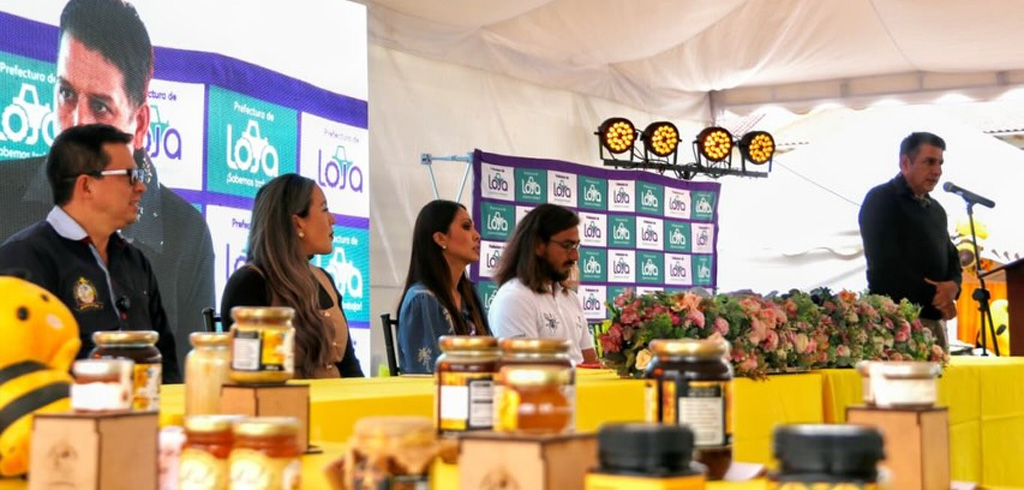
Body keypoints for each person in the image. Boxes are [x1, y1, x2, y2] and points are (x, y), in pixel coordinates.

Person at [0, 0, 215, 371]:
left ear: (140, 124)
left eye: (100, 106)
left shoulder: (186, 233)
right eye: (66, 94)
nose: (75, 123)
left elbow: (186, 385)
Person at [0, 124, 180, 382]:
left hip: (146, 404)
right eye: (130, 175)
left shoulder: (136, 261)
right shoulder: (24, 256)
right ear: (86, 186)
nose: (141, 186)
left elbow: (166, 361)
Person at [220, 174, 363, 378]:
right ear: (297, 224)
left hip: (340, 397)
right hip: (286, 398)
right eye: (324, 209)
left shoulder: (325, 279)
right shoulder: (249, 283)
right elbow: (250, 378)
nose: (333, 219)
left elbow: (349, 367)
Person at [859, 131, 961, 350]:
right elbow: (885, 265)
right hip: (896, 323)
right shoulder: (882, 199)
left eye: (940, 163)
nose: (937, 171)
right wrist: (939, 297)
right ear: (905, 162)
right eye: (929, 162)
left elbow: (952, 256)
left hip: (935, 321)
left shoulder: (936, 210)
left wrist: (954, 285)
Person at [488, 204, 598, 364]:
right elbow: (527, 370)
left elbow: (590, 363)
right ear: (538, 245)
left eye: (576, 246)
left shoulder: (570, 298)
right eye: (567, 246)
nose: (575, 256)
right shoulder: (514, 298)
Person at [397, 200, 491, 373]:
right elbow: (428, 373)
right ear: (440, 238)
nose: (477, 235)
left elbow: (491, 356)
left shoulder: (470, 294)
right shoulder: (422, 300)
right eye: (466, 227)